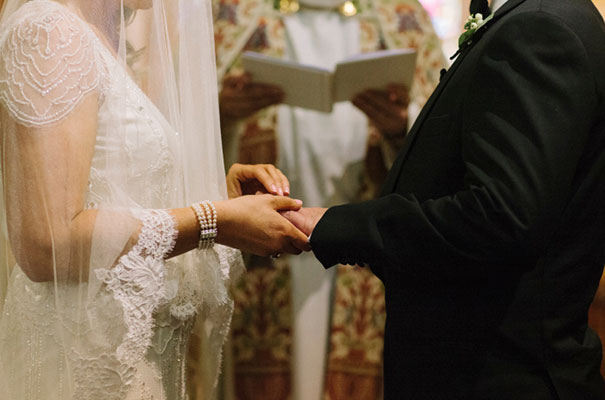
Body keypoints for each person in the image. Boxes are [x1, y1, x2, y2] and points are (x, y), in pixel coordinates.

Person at [284, 0, 605, 398]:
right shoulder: (540, 19)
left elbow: (500, 217)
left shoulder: (540, 28)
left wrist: (336, 225)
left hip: (500, 376)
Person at [0, 0, 308, 399]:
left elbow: (113, 193)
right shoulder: (49, 34)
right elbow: (47, 244)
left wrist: (225, 202)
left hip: (124, 357)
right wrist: (213, 219)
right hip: (82, 365)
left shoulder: (95, 36)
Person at [212, 0, 446, 398]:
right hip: (263, 258)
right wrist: (225, 115)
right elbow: (182, 136)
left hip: (362, 260)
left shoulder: (402, 18)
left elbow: (443, 150)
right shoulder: (234, 13)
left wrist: (400, 126)